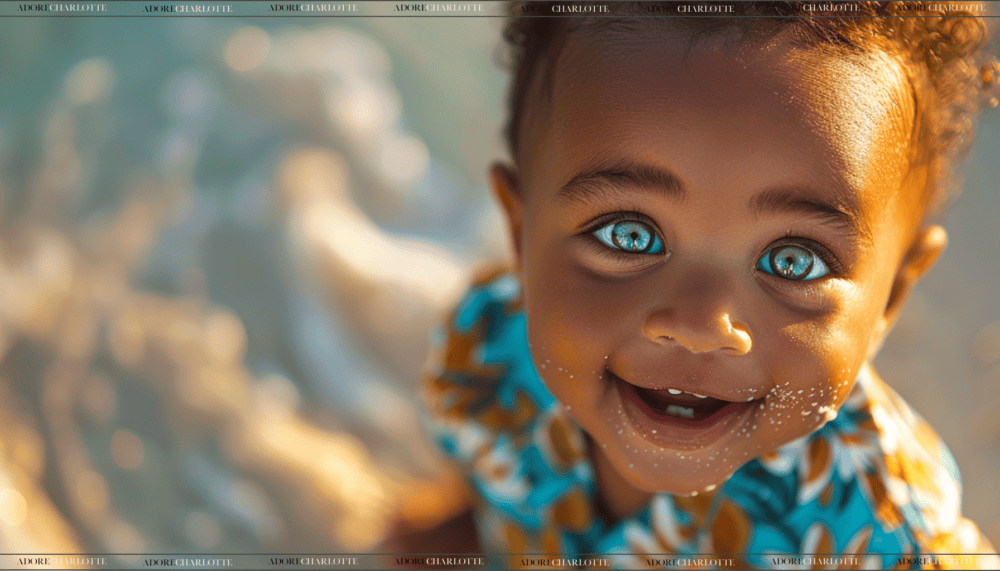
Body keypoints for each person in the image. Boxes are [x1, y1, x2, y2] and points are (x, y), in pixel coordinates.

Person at [421, 1, 1000, 567]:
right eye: (630, 234)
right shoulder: (487, 353)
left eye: (794, 261)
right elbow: (489, 493)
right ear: (521, 235)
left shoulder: (885, 536)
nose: (701, 327)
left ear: (890, 299)